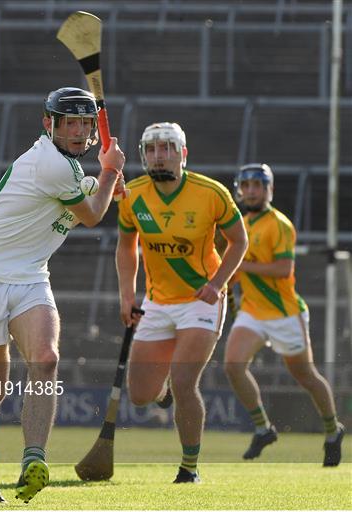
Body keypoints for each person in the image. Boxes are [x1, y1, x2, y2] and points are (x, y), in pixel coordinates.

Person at [0, 87, 126, 503]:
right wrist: (110, 173)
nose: (80, 132)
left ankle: (34, 459)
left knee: (46, 359)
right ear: (49, 124)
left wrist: (102, 181)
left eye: (86, 123)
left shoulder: (66, 168)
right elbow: (93, 215)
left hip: (31, 278)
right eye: (71, 123)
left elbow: (86, 198)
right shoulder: (51, 164)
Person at [116, 122, 248, 483]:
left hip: (200, 301)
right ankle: (164, 394)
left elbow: (239, 241)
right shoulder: (132, 194)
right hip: (156, 301)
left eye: (167, 148)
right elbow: (127, 248)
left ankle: (189, 467)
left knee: (185, 379)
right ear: (144, 155)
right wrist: (127, 294)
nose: (160, 155)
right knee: (140, 396)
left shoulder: (211, 193)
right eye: (153, 149)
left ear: (182, 154)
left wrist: (217, 284)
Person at [224, 163, 345, 466]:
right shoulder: (241, 225)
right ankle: (263, 428)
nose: (251, 190)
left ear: (269, 190)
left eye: (257, 185)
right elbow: (236, 269)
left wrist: (241, 266)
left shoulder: (279, 224)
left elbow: (283, 269)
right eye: (246, 185)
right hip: (252, 312)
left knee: (305, 376)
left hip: (284, 313)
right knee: (233, 366)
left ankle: (332, 430)